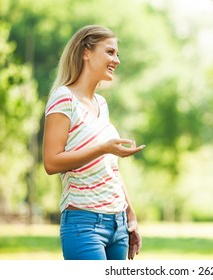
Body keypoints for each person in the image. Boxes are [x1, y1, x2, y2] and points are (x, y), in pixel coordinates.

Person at [42, 25, 145, 260]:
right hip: (84, 224)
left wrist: (130, 215)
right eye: (110, 52)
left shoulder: (101, 104)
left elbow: (111, 168)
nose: (116, 60)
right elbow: (51, 162)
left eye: (117, 54)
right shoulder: (64, 98)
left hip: (118, 224)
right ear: (85, 52)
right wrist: (102, 148)